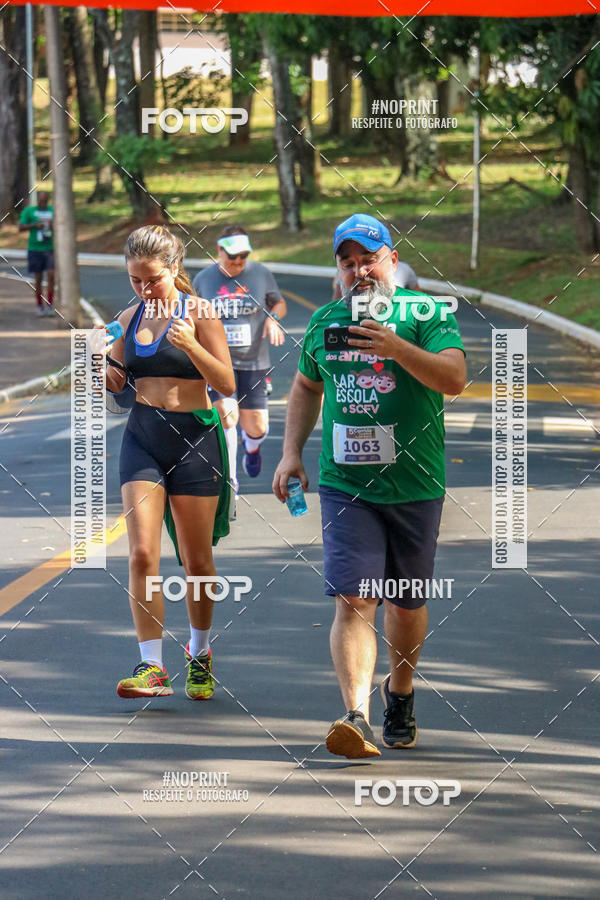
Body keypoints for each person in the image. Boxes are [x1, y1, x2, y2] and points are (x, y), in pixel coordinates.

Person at [273, 213, 466, 758]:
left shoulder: (424, 313)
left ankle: (399, 692)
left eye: (369, 259)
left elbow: (454, 378)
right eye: (348, 262)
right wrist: (290, 453)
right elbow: (306, 386)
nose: (359, 271)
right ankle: (354, 714)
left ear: (392, 263)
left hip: (415, 482)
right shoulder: (326, 323)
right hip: (345, 484)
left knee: (404, 603)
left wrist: (394, 348)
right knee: (354, 599)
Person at [104, 225, 235, 700]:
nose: (144, 289)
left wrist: (192, 345)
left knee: (196, 560)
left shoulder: (200, 312)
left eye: (152, 279)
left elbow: (226, 381)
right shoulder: (128, 316)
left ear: (174, 269)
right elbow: (117, 386)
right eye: (135, 280)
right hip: (143, 439)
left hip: (196, 440)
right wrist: (106, 372)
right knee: (142, 552)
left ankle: (199, 652)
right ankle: (151, 665)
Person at [192, 225, 286, 502]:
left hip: (254, 361)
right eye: (232, 255)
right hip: (218, 362)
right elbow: (192, 312)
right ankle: (230, 480)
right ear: (219, 251)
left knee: (257, 426)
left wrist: (273, 318)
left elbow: (278, 303)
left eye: (243, 256)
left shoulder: (260, 274)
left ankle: (252, 446)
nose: (238, 261)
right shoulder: (204, 279)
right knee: (226, 416)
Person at [19, 191, 55, 316]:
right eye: (41, 201)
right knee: (38, 278)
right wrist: (34, 225)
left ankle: (50, 304)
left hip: (50, 248)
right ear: (38, 200)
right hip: (35, 249)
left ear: (48, 200)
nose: (43, 203)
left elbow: (61, 226)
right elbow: (21, 227)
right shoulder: (30, 211)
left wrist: (52, 225)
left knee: (51, 275)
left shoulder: (53, 211)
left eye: (45, 201)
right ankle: (40, 306)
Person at [332, 257, 419, 300]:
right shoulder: (347, 273)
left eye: (369, 260)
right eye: (349, 264)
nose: (360, 273)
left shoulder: (404, 269)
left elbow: (420, 301)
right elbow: (335, 305)